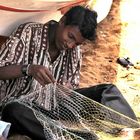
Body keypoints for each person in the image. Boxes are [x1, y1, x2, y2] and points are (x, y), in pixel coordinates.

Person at [0, 6, 138, 140]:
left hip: (52, 108)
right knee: (14, 110)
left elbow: (71, 90)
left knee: (107, 91)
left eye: (77, 43)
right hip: (21, 110)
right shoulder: (28, 32)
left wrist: (67, 91)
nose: (70, 45)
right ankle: (71, 136)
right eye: (70, 37)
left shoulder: (74, 52)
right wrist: (29, 69)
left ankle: (133, 130)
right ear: (62, 21)